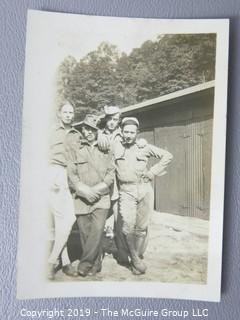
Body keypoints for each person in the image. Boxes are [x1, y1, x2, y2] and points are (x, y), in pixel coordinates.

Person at [113, 117, 173, 274]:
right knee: (127, 227)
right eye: (126, 131)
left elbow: (168, 156)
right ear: (121, 131)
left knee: (141, 228)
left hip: (145, 189)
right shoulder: (115, 146)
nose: (128, 135)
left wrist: (153, 172)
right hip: (126, 191)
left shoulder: (144, 147)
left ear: (137, 133)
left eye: (132, 132)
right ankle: (135, 258)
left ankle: (136, 258)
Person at [67, 114, 115, 277]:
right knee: (85, 233)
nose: (88, 132)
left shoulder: (106, 148)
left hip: (101, 198)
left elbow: (110, 174)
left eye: (92, 129)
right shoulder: (75, 149)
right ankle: (96, 265)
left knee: (97, 230)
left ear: (97, 131)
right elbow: (72, 175)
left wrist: (97, 190)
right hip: (81, 198)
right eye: (86, 128)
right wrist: (84, 191)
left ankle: (85, 262)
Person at [48, 101, 81, 280]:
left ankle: (66, 261)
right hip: (54, 174)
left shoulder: (76, 134)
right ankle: (52, 261)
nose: (68, 115)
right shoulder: (51, 131)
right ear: (59, 113)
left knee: (65, 221)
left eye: (71, 112)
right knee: (66, 219)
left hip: (70, 177)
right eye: (65, 112)